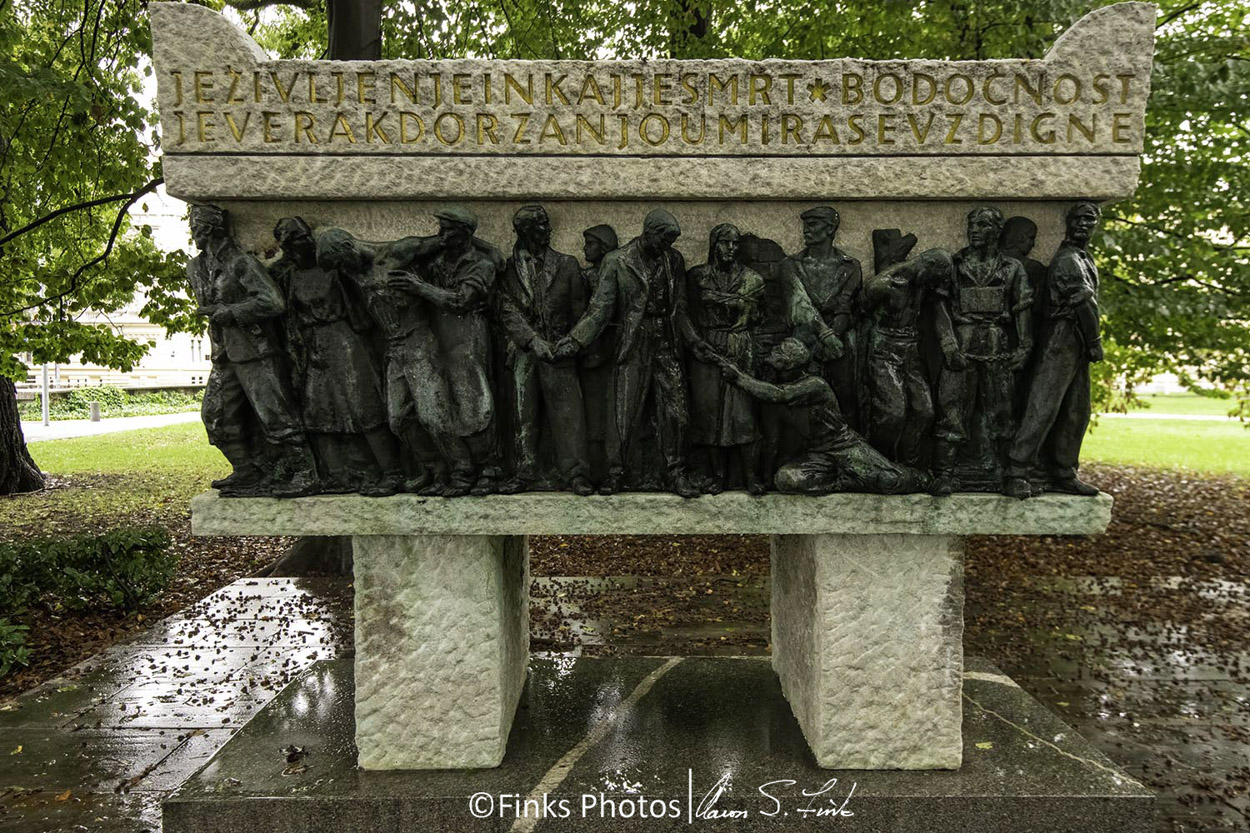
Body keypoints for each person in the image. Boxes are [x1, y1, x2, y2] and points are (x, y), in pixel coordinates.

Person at [557, 209, 698, 497]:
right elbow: (599, 310)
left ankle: (676, 472)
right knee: (624, 411)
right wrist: (575, 341)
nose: (668, 246)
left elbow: (680, 309)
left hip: (666, 342)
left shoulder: (674, 260)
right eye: (665, 239)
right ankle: (616, 473)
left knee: (676, 411)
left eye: (672, 241)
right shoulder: (617, 261)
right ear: (649, 233)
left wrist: (694, 342)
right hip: (634, 342)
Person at [186, 204, 316, 497]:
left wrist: (231, 313)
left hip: (256, 352)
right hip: (224, 355)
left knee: (276, 416)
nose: (192, 231)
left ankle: (305, 473)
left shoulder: (240, 263)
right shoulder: (194, 268)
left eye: (195, 225)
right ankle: (247, 471)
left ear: (208, 229)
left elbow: (273, 302)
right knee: (215, 415)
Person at [386, 205, 504, 496]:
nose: (441, 234)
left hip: (466, 334)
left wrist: (420, 287)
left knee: (475, 401)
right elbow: (401, 252)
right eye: (441, 227)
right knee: (444, 403)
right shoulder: (436, 260)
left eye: (448, 229)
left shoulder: (481, 264)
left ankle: (490, 467)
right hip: (435, 335)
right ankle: (459, 469)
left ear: (464, 234)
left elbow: (461, 301)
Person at [714, 340, 928, 494]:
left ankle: (924, 478)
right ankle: (843, 481)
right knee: (786, 479)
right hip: (817, 456)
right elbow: (772, 441)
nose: (774, 350)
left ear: (789, 363)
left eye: (779, 350)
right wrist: (767, 479)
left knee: (889, 480)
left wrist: (739, 378)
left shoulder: (815, 386)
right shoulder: (773, 400)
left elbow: (781, 395)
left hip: (844, 447)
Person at [286, 221, 402, 495]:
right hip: (314, 347)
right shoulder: (292, 276)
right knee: (318, 410)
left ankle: (392, 472)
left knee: (364, 407)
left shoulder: (337, 271)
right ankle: (337, 475)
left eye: (300, 240)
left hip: (346, 343)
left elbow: (361, 313)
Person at [1004, 202, 1104, 498]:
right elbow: (1083, 302)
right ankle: (1016, 469)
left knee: (1076, 409)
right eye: (1078, 219)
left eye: (1090, 219)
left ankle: (1062, 471)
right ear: (1068, 223)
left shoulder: (1085, 258)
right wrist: (1095, 342)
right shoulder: (1067, 260)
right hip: (1061, 337)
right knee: (1043, 405)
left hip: (1077, 340)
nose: (1084, 225)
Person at [932, 206, 1033, 494]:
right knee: (951, 407)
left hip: (996, 344)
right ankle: (945, 473)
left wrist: (1025, 346)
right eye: (972, 224)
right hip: (961, 344)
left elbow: (1023, 307)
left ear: (997, 231)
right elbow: (939, 306)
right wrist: (948, 343)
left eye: (983, 225)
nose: (974, 229)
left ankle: (1009, 475)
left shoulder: (1012, 268)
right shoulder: (954, 265)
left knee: (1001, 410)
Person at [496, 205, 594, 494]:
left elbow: (582, 310)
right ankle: (524, 470)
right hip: (524, 351)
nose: (548, 229)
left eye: (547, 223)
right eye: (540, 225)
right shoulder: (508, 268)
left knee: (568, 414)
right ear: (524, 231)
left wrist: (572, 342)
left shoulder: (567, 264)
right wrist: (531, 340)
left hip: (559, 349)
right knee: (523, 413)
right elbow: (505, 309)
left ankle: (576, 473)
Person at [685, 223, 766, 494]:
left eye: (735, 244)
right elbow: (684, 313)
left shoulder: (752, 279)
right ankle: (717, 476)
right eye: (725, 243)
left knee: (743, 417)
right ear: (714, 245)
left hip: (738, 346)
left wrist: (736, 305)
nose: (731, 248)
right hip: (706, 349)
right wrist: (696, 343)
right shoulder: (697, 277)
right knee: (709, 417)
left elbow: (759, 316)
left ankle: (752, 477)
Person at [862, 232, 952, 467]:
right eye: (935, 276)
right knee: (893, 412)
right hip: (884, 350)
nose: (935, 283)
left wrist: (949, 344)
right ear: (928, 265)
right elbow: (860, 311)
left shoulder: (924, 282)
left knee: (925, 412)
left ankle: (910, 463)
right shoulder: (885, 283)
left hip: (911, 350)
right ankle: (881, 462)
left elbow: (939, 312)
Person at [778, 206, 863, 429]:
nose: (806, 230)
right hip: (805, 341)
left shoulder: (850, 266)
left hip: (840, 340)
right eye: (805, 225)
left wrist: (835, 336)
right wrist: (826, 336)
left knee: (845, 397)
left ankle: (849, 447)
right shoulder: (790, 265)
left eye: (813, 225)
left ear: (831, 228)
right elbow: (800, 304)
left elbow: (846, 305)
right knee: (803, 399)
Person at [578, 224, 619, 484]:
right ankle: (595, 471)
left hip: (613, 355)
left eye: (590, 244)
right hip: (589, 356)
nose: (585, 248)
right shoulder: (584, 277)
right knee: (592, 415)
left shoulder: (615, 274)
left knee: (611, 416)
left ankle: (613, 471)